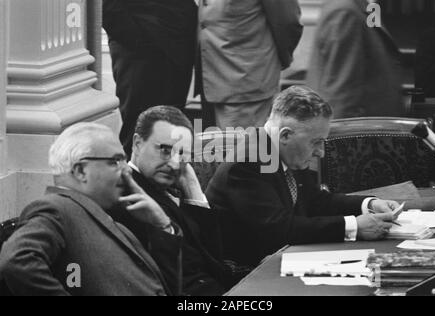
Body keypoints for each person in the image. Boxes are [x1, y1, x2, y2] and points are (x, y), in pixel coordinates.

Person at [206, 86, 399, 267]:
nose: (321, 152)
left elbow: (315, 201)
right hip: (246, 274)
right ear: (285, 136)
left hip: (284, 257)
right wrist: (354, 226)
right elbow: (280, 230)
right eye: (315, 142)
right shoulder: (248, 162)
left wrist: (368, 204)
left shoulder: (285, 151)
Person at [0, 123, 182, 296]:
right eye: (115, 162)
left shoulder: (114, 221)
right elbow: (16, 261)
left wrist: (162, 224)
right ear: (81, 171)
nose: (127, 171)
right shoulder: (56, 208)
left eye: (124, 161)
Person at [127, 106, 236, 296]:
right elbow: (190, 274)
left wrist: (192, 187)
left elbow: (212, 259)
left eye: (182, 154)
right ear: (137, 143)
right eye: (165, 150)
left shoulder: (162, 188)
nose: (175, 163)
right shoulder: (132, 196)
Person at [103, 0, 198, 155]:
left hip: (178, 48)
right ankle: (133, 178)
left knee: (172, 128)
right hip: (139, 53)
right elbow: (108, 7)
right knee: (139, 127)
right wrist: (137, 40)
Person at [196, 0, 303, 130]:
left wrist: (278, 60)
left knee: (243, 148)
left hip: (245, 82)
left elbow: (288, 22)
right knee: (215, 148)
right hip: (209, 77)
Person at [307, 0, 405, 118]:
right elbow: (340, 97)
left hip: (370, 127)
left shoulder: (359, 7)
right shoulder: (346, 12)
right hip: (360, 130)